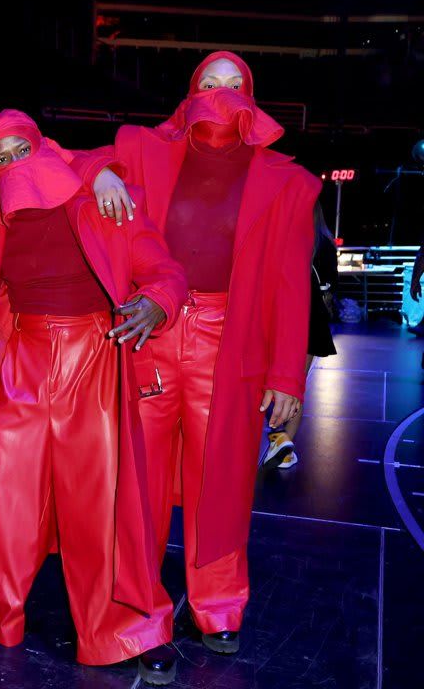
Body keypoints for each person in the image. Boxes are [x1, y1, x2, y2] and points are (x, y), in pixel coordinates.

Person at [78, 51, 320, 655]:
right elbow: (66, 163)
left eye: (235, 85)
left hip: (228, 340)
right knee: (139, 481)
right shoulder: (140, 148)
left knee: (225, 481)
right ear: (189, 92)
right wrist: (101, 173)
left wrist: (289, 376)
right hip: (149, 329)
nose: (220, 95)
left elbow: (294, 286)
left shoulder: (287, 182)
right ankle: (138, 608)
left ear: (253, 96)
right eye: (209, 84)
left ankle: (218, 606)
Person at [0, 110, 185, 685]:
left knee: (98, 507)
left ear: (44, 146)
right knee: (5, 494)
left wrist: (156, 299)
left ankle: (123, 628)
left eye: (20, 150)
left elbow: (164, 270)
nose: (11, 164)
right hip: (22, 361)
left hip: (95, 357)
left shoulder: (104, 202)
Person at [264, 202, 338, 469]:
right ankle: (282, 444)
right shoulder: (326, 245)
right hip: (312, 318)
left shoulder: (287, 239)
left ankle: (279, 440)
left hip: (283, 314)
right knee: (294, 384)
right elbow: (329, 289)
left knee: (269, 381)